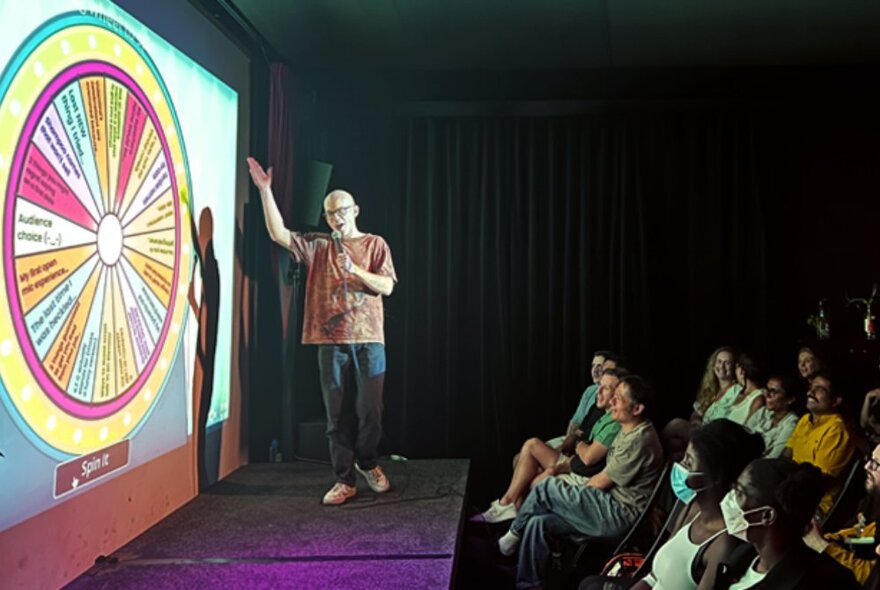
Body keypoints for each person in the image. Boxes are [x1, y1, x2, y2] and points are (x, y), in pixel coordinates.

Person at [247, 157, 398, 506]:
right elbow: (278, 234)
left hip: (369, 339)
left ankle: (368, 461)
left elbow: (387, 287)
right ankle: (344, 479)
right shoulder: (317, 244)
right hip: (329, 342)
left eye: (342, 211)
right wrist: (266, 192)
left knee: (370, 411)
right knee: (335, 415)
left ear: (355, 210)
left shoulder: (375, 244)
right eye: (330, 213)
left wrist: (356, 271)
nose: (337, 218)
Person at [497, 375, 664, 589]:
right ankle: (528, 582)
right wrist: (569, 498)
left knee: (548, 487)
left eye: (619, 398)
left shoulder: (639, 440)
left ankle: (509, 538)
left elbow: (600, 482)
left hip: (619, 515)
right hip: (606, 505)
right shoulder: (628, 428)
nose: (611, 401)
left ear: (637, 409)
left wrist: (569, 498)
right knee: (539, 522)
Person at [579, 420, 765, 590]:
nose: (681, 466)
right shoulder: (692, 507)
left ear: (713, 476)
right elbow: (654, 576)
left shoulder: (723, 544)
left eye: (689, 462)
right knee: (589, 584)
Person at [471, 368, 625, 523]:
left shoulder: (616, 422)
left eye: (606, 388)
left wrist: (575, 447)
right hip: (574, 461)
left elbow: (589, 458)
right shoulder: (601, 413)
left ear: (617, 395)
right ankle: (511, 510)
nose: (598, 391)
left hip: (579, 471)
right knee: (528, 450)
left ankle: (510, 510)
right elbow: (579, 437)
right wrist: (577, 444)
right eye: (600, 386)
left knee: (532, 459)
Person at [713, 458, 859, 589]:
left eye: (739, 492)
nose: (730, 497)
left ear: (767, 515)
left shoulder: (823, 582)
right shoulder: (743, 555)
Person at [803, 442, 880, 586]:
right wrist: (824, 538)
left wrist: (823, 546)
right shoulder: (872, 501)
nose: (867, 467)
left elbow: (870, 576)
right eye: (870, 459)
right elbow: (859, 535)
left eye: (876, 464)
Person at [783, 370, 856, 517]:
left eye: (820, 389)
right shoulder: (805, 420)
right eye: (811, 387)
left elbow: (816, 482)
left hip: (813, 507)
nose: (811, 392)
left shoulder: (837, 429)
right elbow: (785, 456)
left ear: (835, 401)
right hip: (787, 490)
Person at [744, 373, 800, 458]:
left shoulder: (791, 424)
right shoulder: (763, 412)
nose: (767, 395)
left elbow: (773, 457)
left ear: (790, 399)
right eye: (767, 389)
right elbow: (743, 434)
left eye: (773, 392)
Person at [723, 354, 765, 426]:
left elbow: (747, 428)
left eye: (736, 368)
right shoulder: (737, 390)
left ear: (742, 371)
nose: (735, 372)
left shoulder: (758, 399)